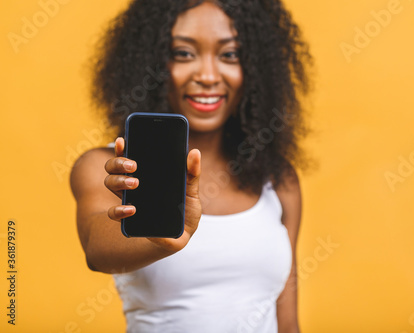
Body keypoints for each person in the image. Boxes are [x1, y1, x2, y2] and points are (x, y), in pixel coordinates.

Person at [70, 0, 312, 332]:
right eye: (184, 53)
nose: (208, 76)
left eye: (229, 55)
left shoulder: (278, 179)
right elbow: (98, 252)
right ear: (152, 63)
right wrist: (160, 236)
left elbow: (287, 320)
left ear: (256, 69)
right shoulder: (111, 167)